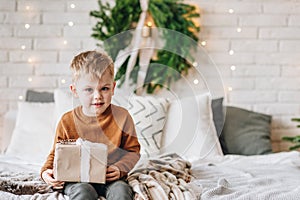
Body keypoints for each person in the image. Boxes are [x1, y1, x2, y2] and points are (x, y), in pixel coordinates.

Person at [40, 50, 141, 200]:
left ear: (113, 88)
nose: (97, 96)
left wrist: (119, 169)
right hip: (76, 179)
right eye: (88, 90)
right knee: (83, 192)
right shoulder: (67, 121)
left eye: (104, 89)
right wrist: (45, 172)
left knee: (121, 191)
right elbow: (56, 153)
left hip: (110, 179)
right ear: (75, 91)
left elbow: (133, 151)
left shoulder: (123, 117)